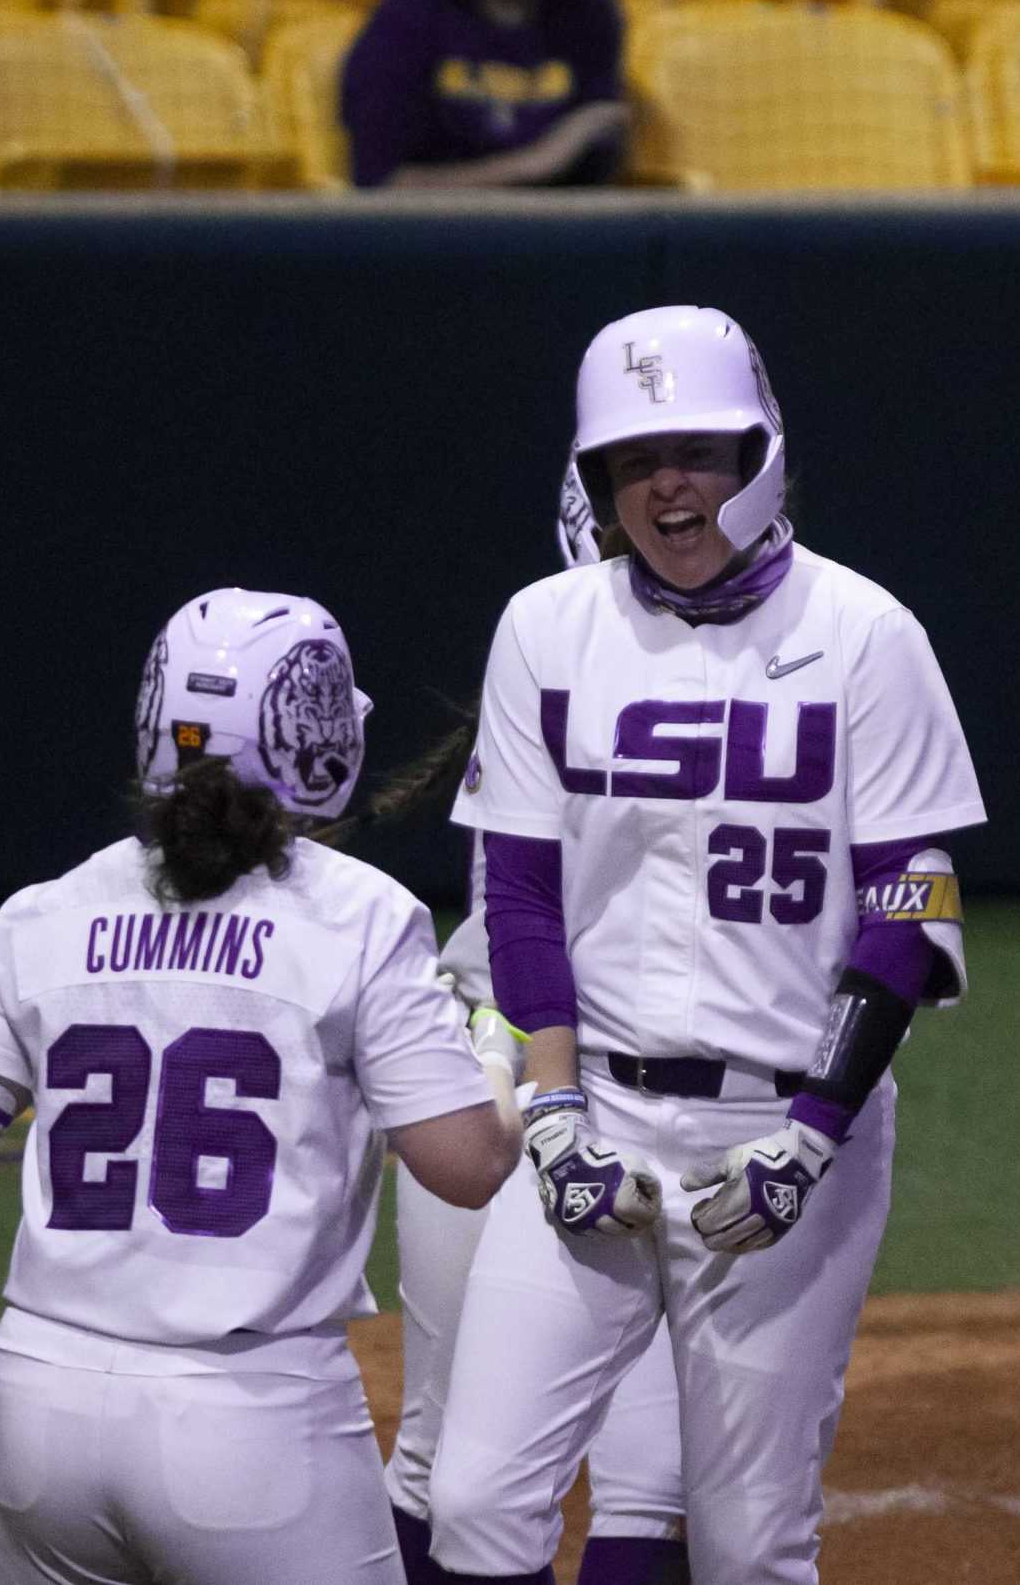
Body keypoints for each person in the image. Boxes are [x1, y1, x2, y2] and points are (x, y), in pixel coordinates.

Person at [427, 306, 988, 1585]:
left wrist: (811, 1132)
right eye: (631, 460)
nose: (666, 483)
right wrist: (555, 1112)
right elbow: (518, 892)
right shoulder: (545, 629)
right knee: (474, 1500)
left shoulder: (865, 634)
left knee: (745, 1544)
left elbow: (910, 899)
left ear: (760, 453)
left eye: (694, 448)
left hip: (789, 1130)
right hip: (599, 1118)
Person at [0, 588, 521, 1585]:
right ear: (318, 738)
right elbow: (465, 1167)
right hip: (259, 1433)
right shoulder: (361, 917)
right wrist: (502, 1064)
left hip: (44, 1424)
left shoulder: (42, 911)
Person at [386, 465, 691, 1585]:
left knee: (439, 1454)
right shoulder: (723, 684)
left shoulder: (533, 664)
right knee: (652, 1481)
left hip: (479, 1070)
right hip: (599, 1083)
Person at [339, 0, 627, 189]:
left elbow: (596, 167)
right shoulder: (408, 18)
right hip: (434, 231)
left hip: (556, 231)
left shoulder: (592, 16)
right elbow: (381, 184)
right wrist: (535, 162)